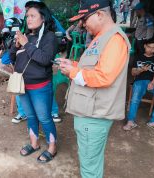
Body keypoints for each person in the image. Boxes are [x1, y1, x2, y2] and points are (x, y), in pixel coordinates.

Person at [58, 0, 130, 177]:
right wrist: (73, 64)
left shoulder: (114, 39)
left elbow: (104, 77)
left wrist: (73, 72)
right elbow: (94, 68)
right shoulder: (102, 38)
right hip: (89, 114)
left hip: (94, 116)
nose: (82, 24)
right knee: (90, 161)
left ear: (99, 14)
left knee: (90, 166)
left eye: (84, 19)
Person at [10, 1, 58, 163]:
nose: (28, 19)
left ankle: (52, 147)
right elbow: (12, 59)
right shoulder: (27, 36)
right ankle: (34, 143)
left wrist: (26, 44)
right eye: (27, 16)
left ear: (43, 18)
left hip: (40, 87)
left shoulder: (49, 37)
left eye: (33, 16)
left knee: (44, 117)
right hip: (23, 85)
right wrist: (15, 47)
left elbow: (45, 60)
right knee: (30, 115)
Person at [123, 39, 154, 133]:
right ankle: (131, 121)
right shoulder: (138, 57)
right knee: (135, 98)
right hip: (139, 81)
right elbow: (133, 73)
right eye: (149, 47)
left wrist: (153, 82)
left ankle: (153, 121)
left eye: (153, 48)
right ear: (145, 46)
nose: (150, 49)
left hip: (152, 82)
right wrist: (141, 70)